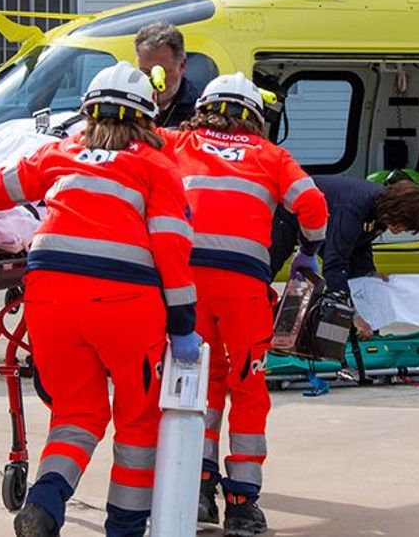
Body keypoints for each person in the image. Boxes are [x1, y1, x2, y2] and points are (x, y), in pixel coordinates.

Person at [0, 61, 200, 537]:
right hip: (124, 303)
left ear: (88, 112)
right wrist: (182, 323)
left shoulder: (63, 151)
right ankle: (124, 528)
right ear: (146, 117)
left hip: (49, 295)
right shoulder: (157, 166)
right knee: (137, 423)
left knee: (75, 413)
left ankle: (46, 500)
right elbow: (171, 248)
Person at [161, 73, 328, 537]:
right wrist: (309, 251)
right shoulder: (272, 156)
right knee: (248, 386)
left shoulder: (175, 141)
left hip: (185, 284)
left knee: (201, 383)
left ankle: (197, 488)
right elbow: (312, 205)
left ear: (205, 107)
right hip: (243, 289)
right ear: (255, 117)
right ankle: (241, 502)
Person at [269, 176, 419, 336]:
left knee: (360, 282)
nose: (401, 231)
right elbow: (334, 265)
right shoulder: (353, 208)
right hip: (287, 213)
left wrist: (370, 274)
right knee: (267, 269)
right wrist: (351, 313)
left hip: (324, 220)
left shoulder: (380, 211)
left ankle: (362, 332)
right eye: (403, 226)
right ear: (397, 211)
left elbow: (360, 247)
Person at [134, 20, 203, 127]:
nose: (154, 82)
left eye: (161, 72)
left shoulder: (199, 110)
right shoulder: (128, 105)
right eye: (146, 72)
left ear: (182, 65)